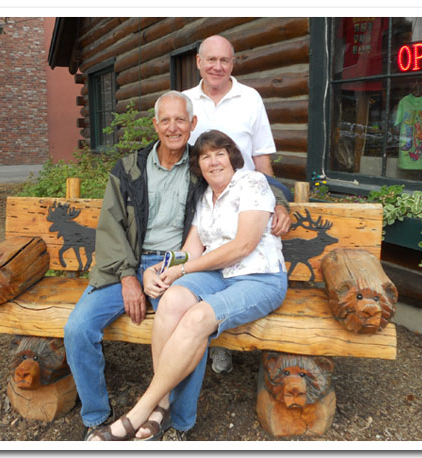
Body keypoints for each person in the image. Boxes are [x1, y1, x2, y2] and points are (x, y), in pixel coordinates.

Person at [89, 130, 288, 441]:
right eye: (205, 156)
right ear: (198, 166)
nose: (214, 161)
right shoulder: (206, 197)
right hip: (219, 274)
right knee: (171, 300)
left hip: (259, 277)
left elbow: (243, 246)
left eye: (220, 153)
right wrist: (156, 269)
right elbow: (190, 251)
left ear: (232, 157)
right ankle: (163, 406)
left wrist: (184, 270)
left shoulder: (252, 183)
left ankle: (141, 410)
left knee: (197, 318)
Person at [64, 90, 200, 441]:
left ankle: (177, 422)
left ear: (193, 123)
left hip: (175, 267)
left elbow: (253, 181)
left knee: (191, 329)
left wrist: (278, 201)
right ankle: (96, 416)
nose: (173, 127)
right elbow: (111, 227)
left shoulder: (203, 165)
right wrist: (128, 277)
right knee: (78, 328)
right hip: (126, 262)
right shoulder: (128, 169)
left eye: (180, 120)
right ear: (155, 125)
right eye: (165, 120)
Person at [184, 34, 292, 374]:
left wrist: (277, 201)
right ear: (199, 62)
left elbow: (261, 159)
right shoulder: (186, 101)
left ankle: (215, 337)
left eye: (224, 60)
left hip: (246, 204)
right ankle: (203, 339)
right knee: (203, 269)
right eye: (211, 59)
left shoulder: (250, 98)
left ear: (232, 63)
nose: (217, 66)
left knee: (231, 261)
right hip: (201, 201)